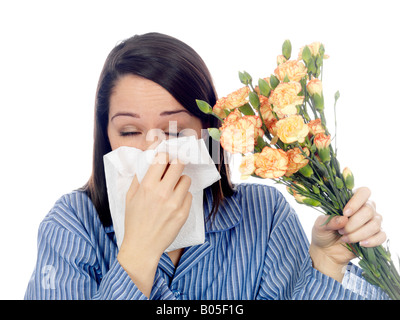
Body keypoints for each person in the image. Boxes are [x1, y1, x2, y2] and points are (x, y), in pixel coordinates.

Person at [25, 32, 387, 300]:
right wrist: (139, 252)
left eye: (175, 130)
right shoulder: (71, 226)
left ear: (207, 134)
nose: (155, 152)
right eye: (131, 131)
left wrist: (326, 263)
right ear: (107, 137)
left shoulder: (265, 216)